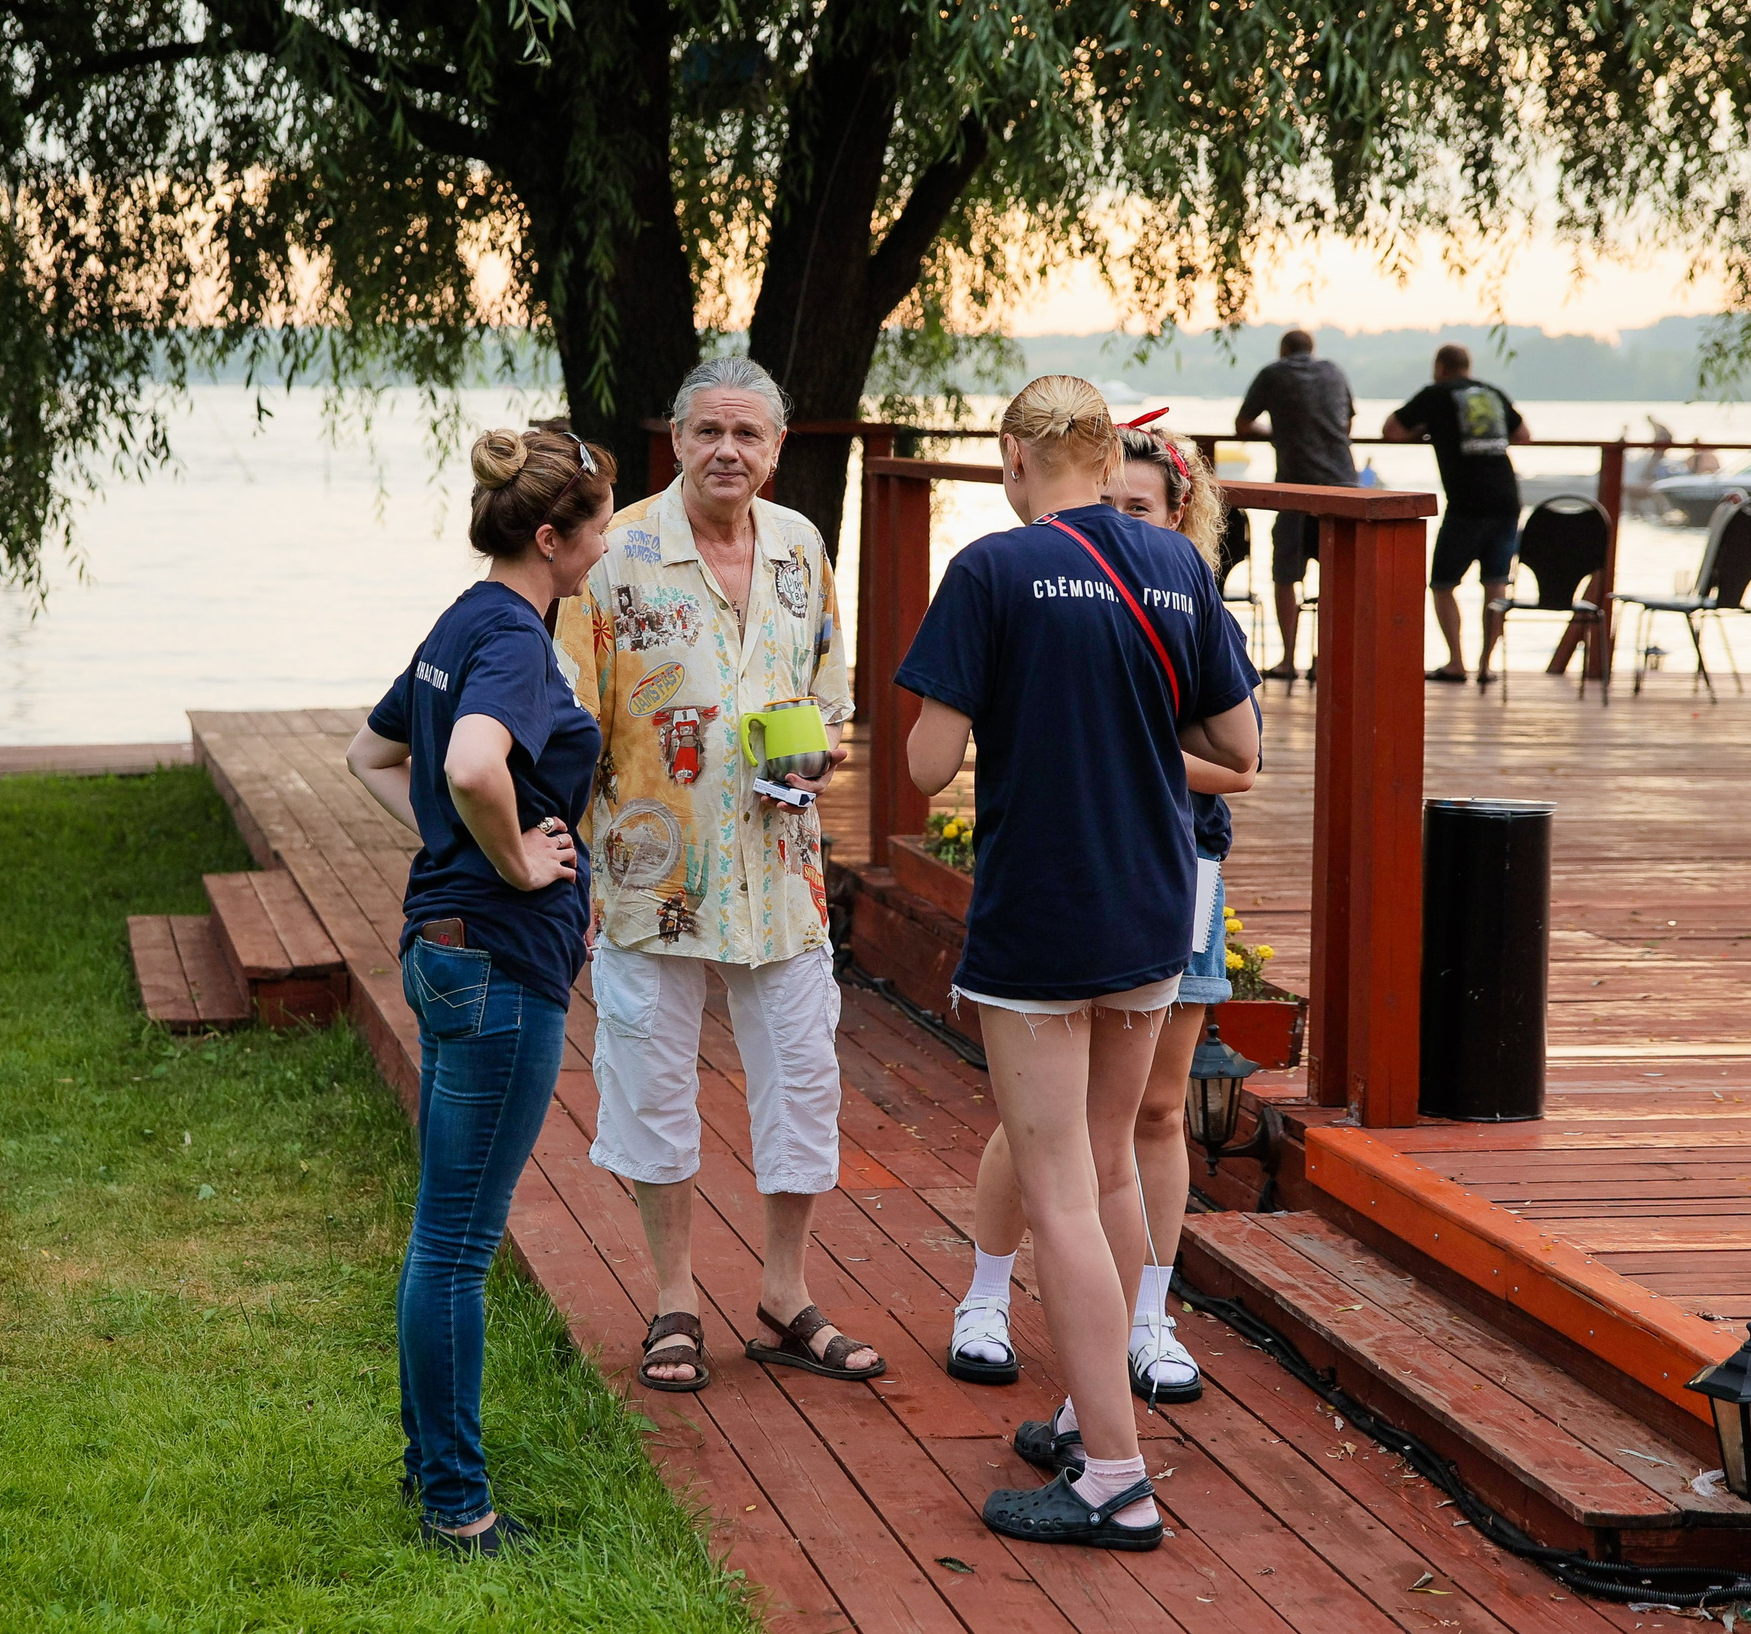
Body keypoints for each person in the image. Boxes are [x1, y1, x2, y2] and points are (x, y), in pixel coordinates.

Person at [900, 376, 1259, 1548]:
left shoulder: (992, 572)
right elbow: (1236, 743)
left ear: (1013, 454)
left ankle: (1113, 1472)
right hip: (1153, 909)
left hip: (1041, 915)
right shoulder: (1176, 568)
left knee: (1058, 1191)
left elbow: (923, 766)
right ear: (1108, 456)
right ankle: (1088, 1417)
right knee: (1107, 1173)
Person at [555, 355, 880, 1396]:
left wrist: (820, 753)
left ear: (777, 450)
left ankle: (785, 1298)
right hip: (649, 873)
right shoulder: (615, 559)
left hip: (781, 875)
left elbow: (829, 691)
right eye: (708, 433)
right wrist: (566, 870)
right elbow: (568, 725)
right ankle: (673, 1299)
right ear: (677, 440)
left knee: (801, 1082)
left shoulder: (800, 545)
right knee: (652, 1091)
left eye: (748, 436)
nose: (727, 452)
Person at [345, 426, 615, 1555]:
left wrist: (458, 856)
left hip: (446, 953)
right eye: (598, 524)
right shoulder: (511, 637)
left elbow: (371, 754)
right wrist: (511, 862)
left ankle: (432, 1477)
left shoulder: (463, 619)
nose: (608, 540)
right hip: (499, 966)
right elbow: (463, 765)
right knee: (456, 1247)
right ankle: (457, 1507)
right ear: (551, 538)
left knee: (438, 1238)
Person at [1384, 343, 1531, 685]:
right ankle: (1485, 666)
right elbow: (1522, 435)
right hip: (1507, 497)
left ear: (1440, 366)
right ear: (1468, 366)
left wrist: (1424, 432)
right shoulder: (1491, 392)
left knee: (1443, 583)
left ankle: (1456, 662)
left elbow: (1391, 429)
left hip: (1467, 500)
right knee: (1495, 584)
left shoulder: (1436, 393)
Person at [1235, 328, 1357, 683]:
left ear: (1283, 350)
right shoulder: (1333, 371)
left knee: (1286, 574)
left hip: (1297, 487)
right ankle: (1327, 657)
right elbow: (1347, 421)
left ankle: (1288, 659)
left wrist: (1276, 435)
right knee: (1336, 577)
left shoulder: (1273, 373)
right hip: (1342, 488)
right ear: (1311, 349)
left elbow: (1243, 424)